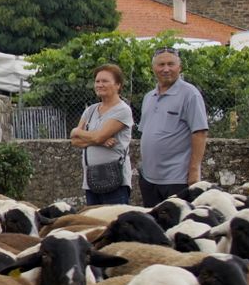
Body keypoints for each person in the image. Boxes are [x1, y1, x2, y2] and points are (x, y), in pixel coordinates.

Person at [138, 47, 208, 206]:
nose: (166, 69)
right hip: (149, 179)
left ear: (180, 67)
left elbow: (200, 133)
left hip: (177, 178)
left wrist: (194, 170)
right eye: (161, 64)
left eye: (171, 64)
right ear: (153, 68)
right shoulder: (149, 97)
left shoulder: (190, 94)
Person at [71, 63, 134, 206]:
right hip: (91, 179)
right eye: (97, 81)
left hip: (114, 180)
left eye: (105, 81)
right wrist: (99, 140)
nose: (100, 85)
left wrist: (79, 132)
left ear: (118, 85)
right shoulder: (91, 110)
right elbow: (74, 141)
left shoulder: (122, 110)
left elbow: (96, 136)